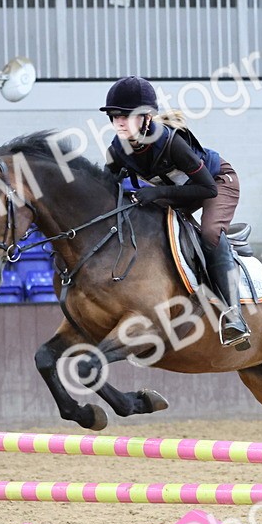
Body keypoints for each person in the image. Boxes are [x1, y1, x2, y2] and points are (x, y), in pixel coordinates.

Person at [99, 76, 249, 349]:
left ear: (146, 118)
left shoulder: (171, 143)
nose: (118, 122)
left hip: (216, 183)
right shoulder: (117, 149)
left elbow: (207, 190)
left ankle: (234, 316)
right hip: (177, 192)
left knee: (211, 233)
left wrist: (155, 194)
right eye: (114, 116)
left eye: (125, 116)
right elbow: (103, 188)